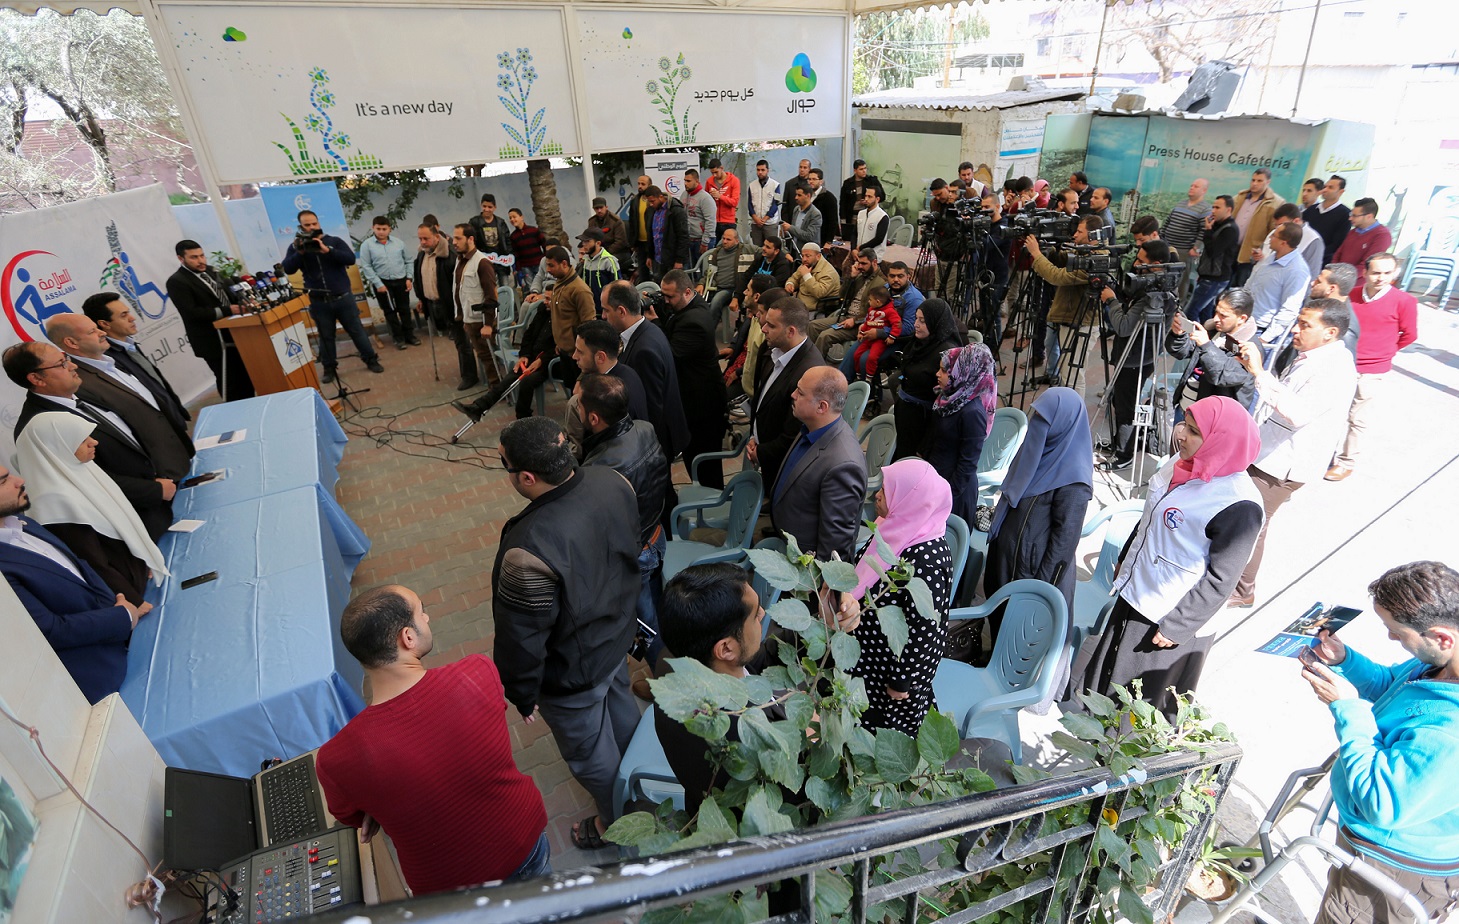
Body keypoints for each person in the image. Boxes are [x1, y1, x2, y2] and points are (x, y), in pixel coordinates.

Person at [317, 585, 550, 895]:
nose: (426, 617)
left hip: (446, 887)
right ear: (407, 638)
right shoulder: (476, 674)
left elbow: (351, 815)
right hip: (523, 840)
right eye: (420, 611)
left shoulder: (336, 759)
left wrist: (381, 799)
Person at [491, 417, 640, 850]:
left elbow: (522, 638)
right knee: (622, 713)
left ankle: (618, 824)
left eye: (504, 465)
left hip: (573, 671)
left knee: (591, 754)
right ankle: (641, 783)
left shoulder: (528, 550)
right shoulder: (613, 480)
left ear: (526, 477)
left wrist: (522, 693)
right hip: (616, 637)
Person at [1080, 396, 1265, 719]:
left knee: (1138, 701)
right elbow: (1151, 514)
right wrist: (1126, 557)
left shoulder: (1239, 505)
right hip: (1140, 589)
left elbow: (1221, 579)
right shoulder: (1181, 464)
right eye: (1184, 426)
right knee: (1111, 677)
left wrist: (1177, 626)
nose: (1181, 435)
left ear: (1220, 441)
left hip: (1169, 613)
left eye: (1194, 432)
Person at [1298, 561, 1459, 924]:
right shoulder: (1440, 663)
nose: (1391, 639)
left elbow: (1381, 802)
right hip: (1377, 848)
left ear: (1442, 637)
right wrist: (1345, 660)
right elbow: (1395, 689)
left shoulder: (1451, 734)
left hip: (1393, 869)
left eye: (1397, 632)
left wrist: (1347, 709)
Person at [1229, 299, 1357, 607]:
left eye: (1305, 325)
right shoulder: (1315, 357)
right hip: (1270, 452)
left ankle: (1243, 590)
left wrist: (1259, 372)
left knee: (1252, 525)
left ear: (1330, 332)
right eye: (1298, 322)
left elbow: (1296, 413)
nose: (1296, 330)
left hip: (1282, 464)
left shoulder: (1333, 368)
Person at [0, 462, 149, 704]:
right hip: (101, 680)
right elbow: (49, 630)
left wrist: (118, 608)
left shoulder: (23, 523)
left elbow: (80, 569)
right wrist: (120, 617)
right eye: (4, 481)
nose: (20, 480)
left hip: (122, 643)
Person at [6, 342, 177, 540]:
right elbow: (81, 481)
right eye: (61, 363)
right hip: (133, 523)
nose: (73, 366)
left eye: (66, 358)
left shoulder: (79, 393)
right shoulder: (40, 427)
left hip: (161, 497)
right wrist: (154, 491)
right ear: (36, 378)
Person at [983, 388, 1093, 691]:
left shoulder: (1074, 480)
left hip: (1034, 570)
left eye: (1045, 422)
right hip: (1009, 557)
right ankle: (995, 664)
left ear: (1062, 426)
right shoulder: (1037, 453)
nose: (1037, 426)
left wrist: (1041, 589)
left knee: (1025, 630)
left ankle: (1016, 683)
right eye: (1036, 418)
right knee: (1002, 615)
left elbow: (1063, 544)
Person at [840, 458, 955, 736]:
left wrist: (901, 681)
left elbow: (925, 629)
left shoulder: (927, 561)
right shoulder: (899, 528)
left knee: (881, 737)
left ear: (910, 500)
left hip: (889, 675)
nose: (878, 495)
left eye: (888, 490)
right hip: (869, 660)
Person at [15, 414, 168, 606]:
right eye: (81, 440)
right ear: (54, 447)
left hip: (136, 575)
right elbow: (92, 562)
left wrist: (143, 561)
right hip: (125, 596)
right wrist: (134, 601)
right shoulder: (53, 501)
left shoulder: (82, 469)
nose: (93, 442)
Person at [654, 563, 770, 815]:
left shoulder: (670, 667)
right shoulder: (744, 737)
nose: (762, 614)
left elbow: (760, 658)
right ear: (726, 649)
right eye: (754, 616)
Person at [577, 373, 670, 675]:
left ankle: (668, 684)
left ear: (593, 418)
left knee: (647, 625)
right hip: (656, 535)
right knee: (657, 609)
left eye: (578, 406)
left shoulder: (601, 467)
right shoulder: (644, 427)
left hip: (635, 554)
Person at [46, 313, 194, 483]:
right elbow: (119, 437)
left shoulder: (111, 361)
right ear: (71, 343)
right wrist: (152, 483)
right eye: (92, 331)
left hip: (179, 458)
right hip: (161, 476)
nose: (102, 332)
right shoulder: (79, 384)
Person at [1327, 252, 1418, 482]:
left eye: (1387, 273)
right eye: (1376, 272)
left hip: (1373, 369)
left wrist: (1385, 352)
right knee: (1332, 411)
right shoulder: (1352, 295)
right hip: (1344, 362)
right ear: (1365, 272)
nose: (1381, 278)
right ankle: (1325, 454)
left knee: (1357, 418)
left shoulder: (1404, 301)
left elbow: (1410, 334)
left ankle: (1346, 462)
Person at [767, 367, 866, 561]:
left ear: (822, 407)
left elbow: (835, 546)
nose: (793, 395)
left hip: (805, 566)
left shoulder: (843, 465)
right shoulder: (812, 427)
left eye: (800, 392)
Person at [1097, 239, 1180, 469]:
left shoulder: (1153, 296)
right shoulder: (1157, 286)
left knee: (1126, 408)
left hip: (1135, 358)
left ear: (1157, 264)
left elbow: (1124, 326)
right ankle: (1119, 445)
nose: (1135, 264)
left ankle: (1124, 456)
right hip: (1140, 355)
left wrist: (1111, 300)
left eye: (1141, 261)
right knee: (1121, 401)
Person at [282, 209, 383, 381]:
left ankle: (371, 360)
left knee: (357, 331)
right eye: (307, 225)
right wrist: (300, 252)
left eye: (314, 223)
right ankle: (329, 368)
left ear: (319, 223)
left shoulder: (334, 241)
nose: (312, 227)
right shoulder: (296, 247)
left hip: (343, 297)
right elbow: (288, 268)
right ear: (300, 227)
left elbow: (350, 259)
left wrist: (328, 250)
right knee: (326, 336)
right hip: (319, 301)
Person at [602, 281, 689, 464]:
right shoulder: (648, 329)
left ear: (621, 311)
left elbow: (650, 408)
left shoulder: (643, 350)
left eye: (606, 310)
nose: (603, 316)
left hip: (656, 443)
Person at [658, 269, 727, 488]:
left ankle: (711, 501)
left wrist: (655, 322)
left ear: (687, 292)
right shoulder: (691, 307)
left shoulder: (694, 321)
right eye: (663, 295)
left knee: (704, 464)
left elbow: (670, 355)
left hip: (703, 405)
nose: (666, 301)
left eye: (670, 297)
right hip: (697, 399)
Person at [82, 293, 189, 433]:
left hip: (173, 419)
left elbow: (156, 383)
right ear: (105, 324)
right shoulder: (107, 359)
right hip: (160, 430)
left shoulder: (128, 344)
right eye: (123, 315)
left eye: (128, 312)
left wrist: (177, 411)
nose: (132, 318)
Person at [165, 239, 255, 400]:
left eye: (202, 256)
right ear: (181, 258)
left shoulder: (213, 272)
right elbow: (192, 313)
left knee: (246, 377)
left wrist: (244, 302)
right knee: (230, 381)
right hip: (212, 340)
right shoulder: (177, 281)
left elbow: (230, 294)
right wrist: (228, 310)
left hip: (235, 333)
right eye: (194, 257)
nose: (200, 261)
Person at [747, 299, 823, 488]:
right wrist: (754, 436)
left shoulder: (808, 373)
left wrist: (761, 452)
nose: (763, 329)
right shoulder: (775, 351)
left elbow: (794, 435)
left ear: (790, 331)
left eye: (771, 325)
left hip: (781, 469)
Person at [1024, 216, 1106, 386]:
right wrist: (1050, 252)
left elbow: (1057, 277)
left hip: (1081, 322)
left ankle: (1073, 404)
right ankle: (1065, 399)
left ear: (1093, 236)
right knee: (1066, 371)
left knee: (1073, 376)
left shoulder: (1096, 260)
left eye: (1080, 232)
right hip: (1070, 318)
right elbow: (1065, 259)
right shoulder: (1084, 250)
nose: (1074, 235)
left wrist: (1037, 254)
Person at [926, 342, 995, 528]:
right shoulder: (948, 399)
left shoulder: (972, 413)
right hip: (936, 480)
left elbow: (967, 464)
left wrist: (946, 496)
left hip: (954, 492)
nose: (937, 374)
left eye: (944, 371)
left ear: (963, 373)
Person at [1165, 288, 1259, 411]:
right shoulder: (1214, 330)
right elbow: (1182, 352)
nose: (1215, 319)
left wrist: (1206, 346)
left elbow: (1223, 376)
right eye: (1216, 312)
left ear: (1242, 318)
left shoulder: (1249, 349)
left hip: (1212, 416)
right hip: (1186, 405)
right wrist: (1178, 334)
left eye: (1223, 316)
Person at [893, 299, 963, 462]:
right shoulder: (920, 343)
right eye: (916, 318)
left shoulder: (946, 353)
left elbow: (945, 404)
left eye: (922, 321)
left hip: (923, 423)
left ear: (935, 322)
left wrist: (925, 445)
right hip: (908, 417)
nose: (916, 324)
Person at [563, 320, 649, 454]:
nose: (574, 356)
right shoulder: (627, 372)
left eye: (580, 352)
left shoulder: (609, 395)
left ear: (600, 357)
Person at [413, 223, 473, 390]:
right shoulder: (422, 254)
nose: (422, 242)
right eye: (420, 238)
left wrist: (460, 307)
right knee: (454, 339)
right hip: (432, 303)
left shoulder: (449, 255)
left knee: (462, 341)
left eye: (426, 238)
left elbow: (460, 284)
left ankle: (469, 376)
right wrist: (421, 299)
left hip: (452, 305)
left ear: (436, 237)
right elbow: (419, 278)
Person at [449, 222, 501, 393]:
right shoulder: (460, 260)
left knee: (489, 357)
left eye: (458, 238)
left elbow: (491, 296)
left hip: (481, 321)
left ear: (470, 239)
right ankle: (495, 388)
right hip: (469, 318)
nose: (454, 242)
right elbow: (461, 291)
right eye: (454, 238)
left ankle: (498, 390)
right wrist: (463, 318)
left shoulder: (482, 262)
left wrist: (488, 324)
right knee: (483, 356)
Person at [1246, 222, 1313, 348]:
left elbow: (1289, 309)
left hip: (1261, 330)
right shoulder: (1272, 257)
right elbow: (1252, 284)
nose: (1270, 238)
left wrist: (1264, 339)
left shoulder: (1297, 270)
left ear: (1283, 243)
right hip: (1246, 320)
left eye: (1274, 235)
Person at [811, 247, 885, 361]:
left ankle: (815, 365)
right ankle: (807, 358)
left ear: (874, 262)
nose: (860, 266)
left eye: (864, 263)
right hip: (845, 316)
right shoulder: (860, 276)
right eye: (858, 263)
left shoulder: (881, 283)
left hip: (861, 324)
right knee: (812, 326)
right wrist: (850, 278)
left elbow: (876, 313)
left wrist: (855, 320)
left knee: (825, 336)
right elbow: (842, 295)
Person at [357, 215, 418, 349]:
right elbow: (366, 266)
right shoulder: (367, 245)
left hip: (401, 280)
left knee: (404, 309)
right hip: (382, 283)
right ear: (373, 228)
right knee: (389, 311)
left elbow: (408, 261)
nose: (381, 232)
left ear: (389, 229)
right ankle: (398, 338)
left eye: (384, 229)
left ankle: (410, 336)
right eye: (378, 228)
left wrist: (409, 278)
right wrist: (378, 284)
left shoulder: (399, 243)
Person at [1186, 195, 1239, 323]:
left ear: (1228, 209)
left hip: (1215, 279)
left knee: (1191, 311)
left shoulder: (1230, 229)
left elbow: (1213, 252)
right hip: (1210, 276)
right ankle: (1207, 333)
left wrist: (1208, 230)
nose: (1213, 210)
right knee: (1205, 312)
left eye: (1217, 207)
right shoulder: (1219, 225)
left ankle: (1194, 335)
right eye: (1213, 207)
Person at [1231, 168, 1284, 287]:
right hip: (1230, 249)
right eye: (1253, 180)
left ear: (1268, 182)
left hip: (1251, 254)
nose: (1254, 183)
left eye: (1259, 181)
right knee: (1222, 286)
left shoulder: (1276, 203)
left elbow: (1274, 231)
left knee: (1241, 287)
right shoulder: (1240, 197)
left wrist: (1263, 250)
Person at [1164, 178, 1211, 299]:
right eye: (1191, 185)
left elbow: (1203, 230)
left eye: (1196, 186)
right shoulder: (1181, 203)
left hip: (1184, 251)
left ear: (1204, 190)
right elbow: (1168, 221)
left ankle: (1178, 303)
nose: (1192, 188)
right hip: (1167, 247)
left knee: (1180, 280)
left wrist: (1196, 248)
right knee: (1165, 276)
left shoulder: (1205, 209)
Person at [702, 227, 758, 324]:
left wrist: (784, 253)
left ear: (737, 241)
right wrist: (701, 283)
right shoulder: (716, 253)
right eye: (723, 238)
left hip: (734, 289)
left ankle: (708, 330)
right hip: (715, 287)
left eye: (728, 239)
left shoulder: (746, 249)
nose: (724, 241)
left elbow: (766, 249)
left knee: (716, 301)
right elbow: (709, 272)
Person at [848, 284, 901, 381]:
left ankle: (869, 377)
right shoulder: (871, 310)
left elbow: (897, 324)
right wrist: (861, 332)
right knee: (856, 354)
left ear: (878, 302)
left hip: (879, 340)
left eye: (870, 300)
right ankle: (859, 374)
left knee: (872, 357)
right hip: (868, 338)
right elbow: (867, 322)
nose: (868, 302)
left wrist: (892, 336)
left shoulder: (890, 311)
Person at [1332, 198, 1393, 273]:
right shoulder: (1353, 232)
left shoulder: (1382, 236)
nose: (1350, 218)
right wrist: (1333, 271)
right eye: (1351, 214)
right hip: (1337, 275)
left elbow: (1367, 265)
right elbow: (1337, 254)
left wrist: (1343, 276)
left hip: (1354, 278)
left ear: (1369, 216)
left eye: (1354, 216)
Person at [1304, 175, 1350, 266]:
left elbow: (1337, 244)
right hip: (1303, 255)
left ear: (1341, 192)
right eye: (1325, 187)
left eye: (1330, 187)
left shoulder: (1345, 214)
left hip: (1323, 261)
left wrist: (1315, 254)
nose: (1325, 190)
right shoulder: (1311, 209)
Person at [646, 186, 690, 281]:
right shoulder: (651, 211)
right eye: (649, 202)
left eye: (653, 201)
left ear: (661, 197)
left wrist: (679, 260)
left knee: (675, 286)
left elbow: (683, 236)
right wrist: (650, 255)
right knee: (659, 285)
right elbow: (651, 235)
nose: (651, 204)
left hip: (672, 259)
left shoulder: (676, 210)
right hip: (657, 259)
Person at [784, 240, 840, 313]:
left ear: (818, 256)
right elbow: (794, 278)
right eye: (803, 256)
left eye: (808, 256)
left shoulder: (828, 272)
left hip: (816, 309)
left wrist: (807, 275)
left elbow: (819, 293)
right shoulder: (807, 265)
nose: (804, 259)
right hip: (799, 304)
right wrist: (790, 284)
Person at [467, 193, 513, 282]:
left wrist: (508, 255)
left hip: (501, 261)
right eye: (484, 206)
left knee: (505, 286)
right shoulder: (474, 222)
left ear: (495, 207)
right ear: (481, 205)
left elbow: (507, 240)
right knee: (488, 287)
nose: (487, 209)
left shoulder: (500, 222)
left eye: (490, 207)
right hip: (483, 261)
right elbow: (470, 240)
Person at [839, 159, 883, 242]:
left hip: (868, 214)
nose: (864, 171)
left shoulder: (872, 181)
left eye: (865, 168)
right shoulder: (848, 183)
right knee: (851, 239)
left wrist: (869, 200)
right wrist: (843, 221)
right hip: (852, 217)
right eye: (861, 169)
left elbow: (882, 196)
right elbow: (843, 203)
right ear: (855, 170)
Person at [576, 229, 621, 307]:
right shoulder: (586, 260)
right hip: (589, 307)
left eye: (587, 241)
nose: (584, 244)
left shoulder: (609, 261)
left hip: (605, 308)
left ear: (598, 243)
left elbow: (617, 287)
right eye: (583, 241)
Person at [680, 168, 716, 262]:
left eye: (688, 181)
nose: (685, 183)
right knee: (690, 268)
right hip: (689, 239)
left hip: (702, 240)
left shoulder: (705, 198)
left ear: (696, 181)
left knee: (703, 268)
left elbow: (710, 221)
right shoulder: (684, 195)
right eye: (685, 180)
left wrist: (705, 242)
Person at [586, 196, 632, 271]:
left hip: (617, 251)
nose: (599, 210)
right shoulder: (592, 221)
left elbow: (621, 242)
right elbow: (589, 239)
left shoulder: (616, 221)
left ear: (606, 207)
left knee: (605, 263)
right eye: (596, 208)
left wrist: (604, 253)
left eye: (601, 208)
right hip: (598, 250)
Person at [746, 160, 783, 248]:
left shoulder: (775, 185)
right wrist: (755, 218)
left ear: (767, 170)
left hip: (770, 223)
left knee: (771, 248)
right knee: (757, 249)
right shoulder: (752, 185)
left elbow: (775, 204)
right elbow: (749, 204)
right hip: (756, 223)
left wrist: (765, 218)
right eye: (758, 170)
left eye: (763, 170)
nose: (760, 172)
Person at [507, 208, 547, 288]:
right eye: (510, 218)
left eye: (514, 217)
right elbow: (516, 254)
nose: (512, 219)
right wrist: (518, 269)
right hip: (525, 267)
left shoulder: (534, 231)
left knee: (543, 285)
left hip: (539, 264)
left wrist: (545, 259)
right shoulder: (513, 237)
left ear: (521, 217)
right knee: (531, 288)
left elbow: (544, 245)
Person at [779, 185, 822, 258]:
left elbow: (809, 236)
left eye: (799, 195)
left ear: (808, 196)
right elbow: (795, 231)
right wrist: (786, 232)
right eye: (796, 194)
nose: (796, 198)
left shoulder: (815, 214)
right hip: (795, 250)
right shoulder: (796, 209)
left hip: (808, 254)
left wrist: (790, 228)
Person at [625, 175, 654, 282]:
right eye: (638, 184)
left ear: (649, 185)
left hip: (654, 242)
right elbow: (632, 222)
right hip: (640, 243)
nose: (640, 186)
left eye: (643, 184)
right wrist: (633, 242)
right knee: (642, 271)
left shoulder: (654, 201)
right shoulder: (635, 201)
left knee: (656, 270)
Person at [705, 159, 741, 242]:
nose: (714, 175)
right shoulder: (709, 182)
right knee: (714, 247)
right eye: (712, 173)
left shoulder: (734, 180)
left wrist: (720, 196)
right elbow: (706, 201)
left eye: (716, 172)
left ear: (721, 168)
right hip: (714, 221)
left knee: (729, 246)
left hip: (728, 222)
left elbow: (734, 202)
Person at [855, 186, 890, 261]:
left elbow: (879, 239)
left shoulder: (882, 216)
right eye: (865, 196)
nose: (866, 199)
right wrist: (853, 249)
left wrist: (861, 247)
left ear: (877, 199)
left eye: (870, 197)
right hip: (859, 255)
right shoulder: (861, 213)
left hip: (873, 257)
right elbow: (854, 233)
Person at [807, 168, 839, 245]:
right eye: (809, 179)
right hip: (807, 236)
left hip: (821, 238)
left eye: (814, 179)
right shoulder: (806, 195)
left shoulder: (829, 198)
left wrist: (829, 241)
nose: (811, 181)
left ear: (821, 181)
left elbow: (833, 221)